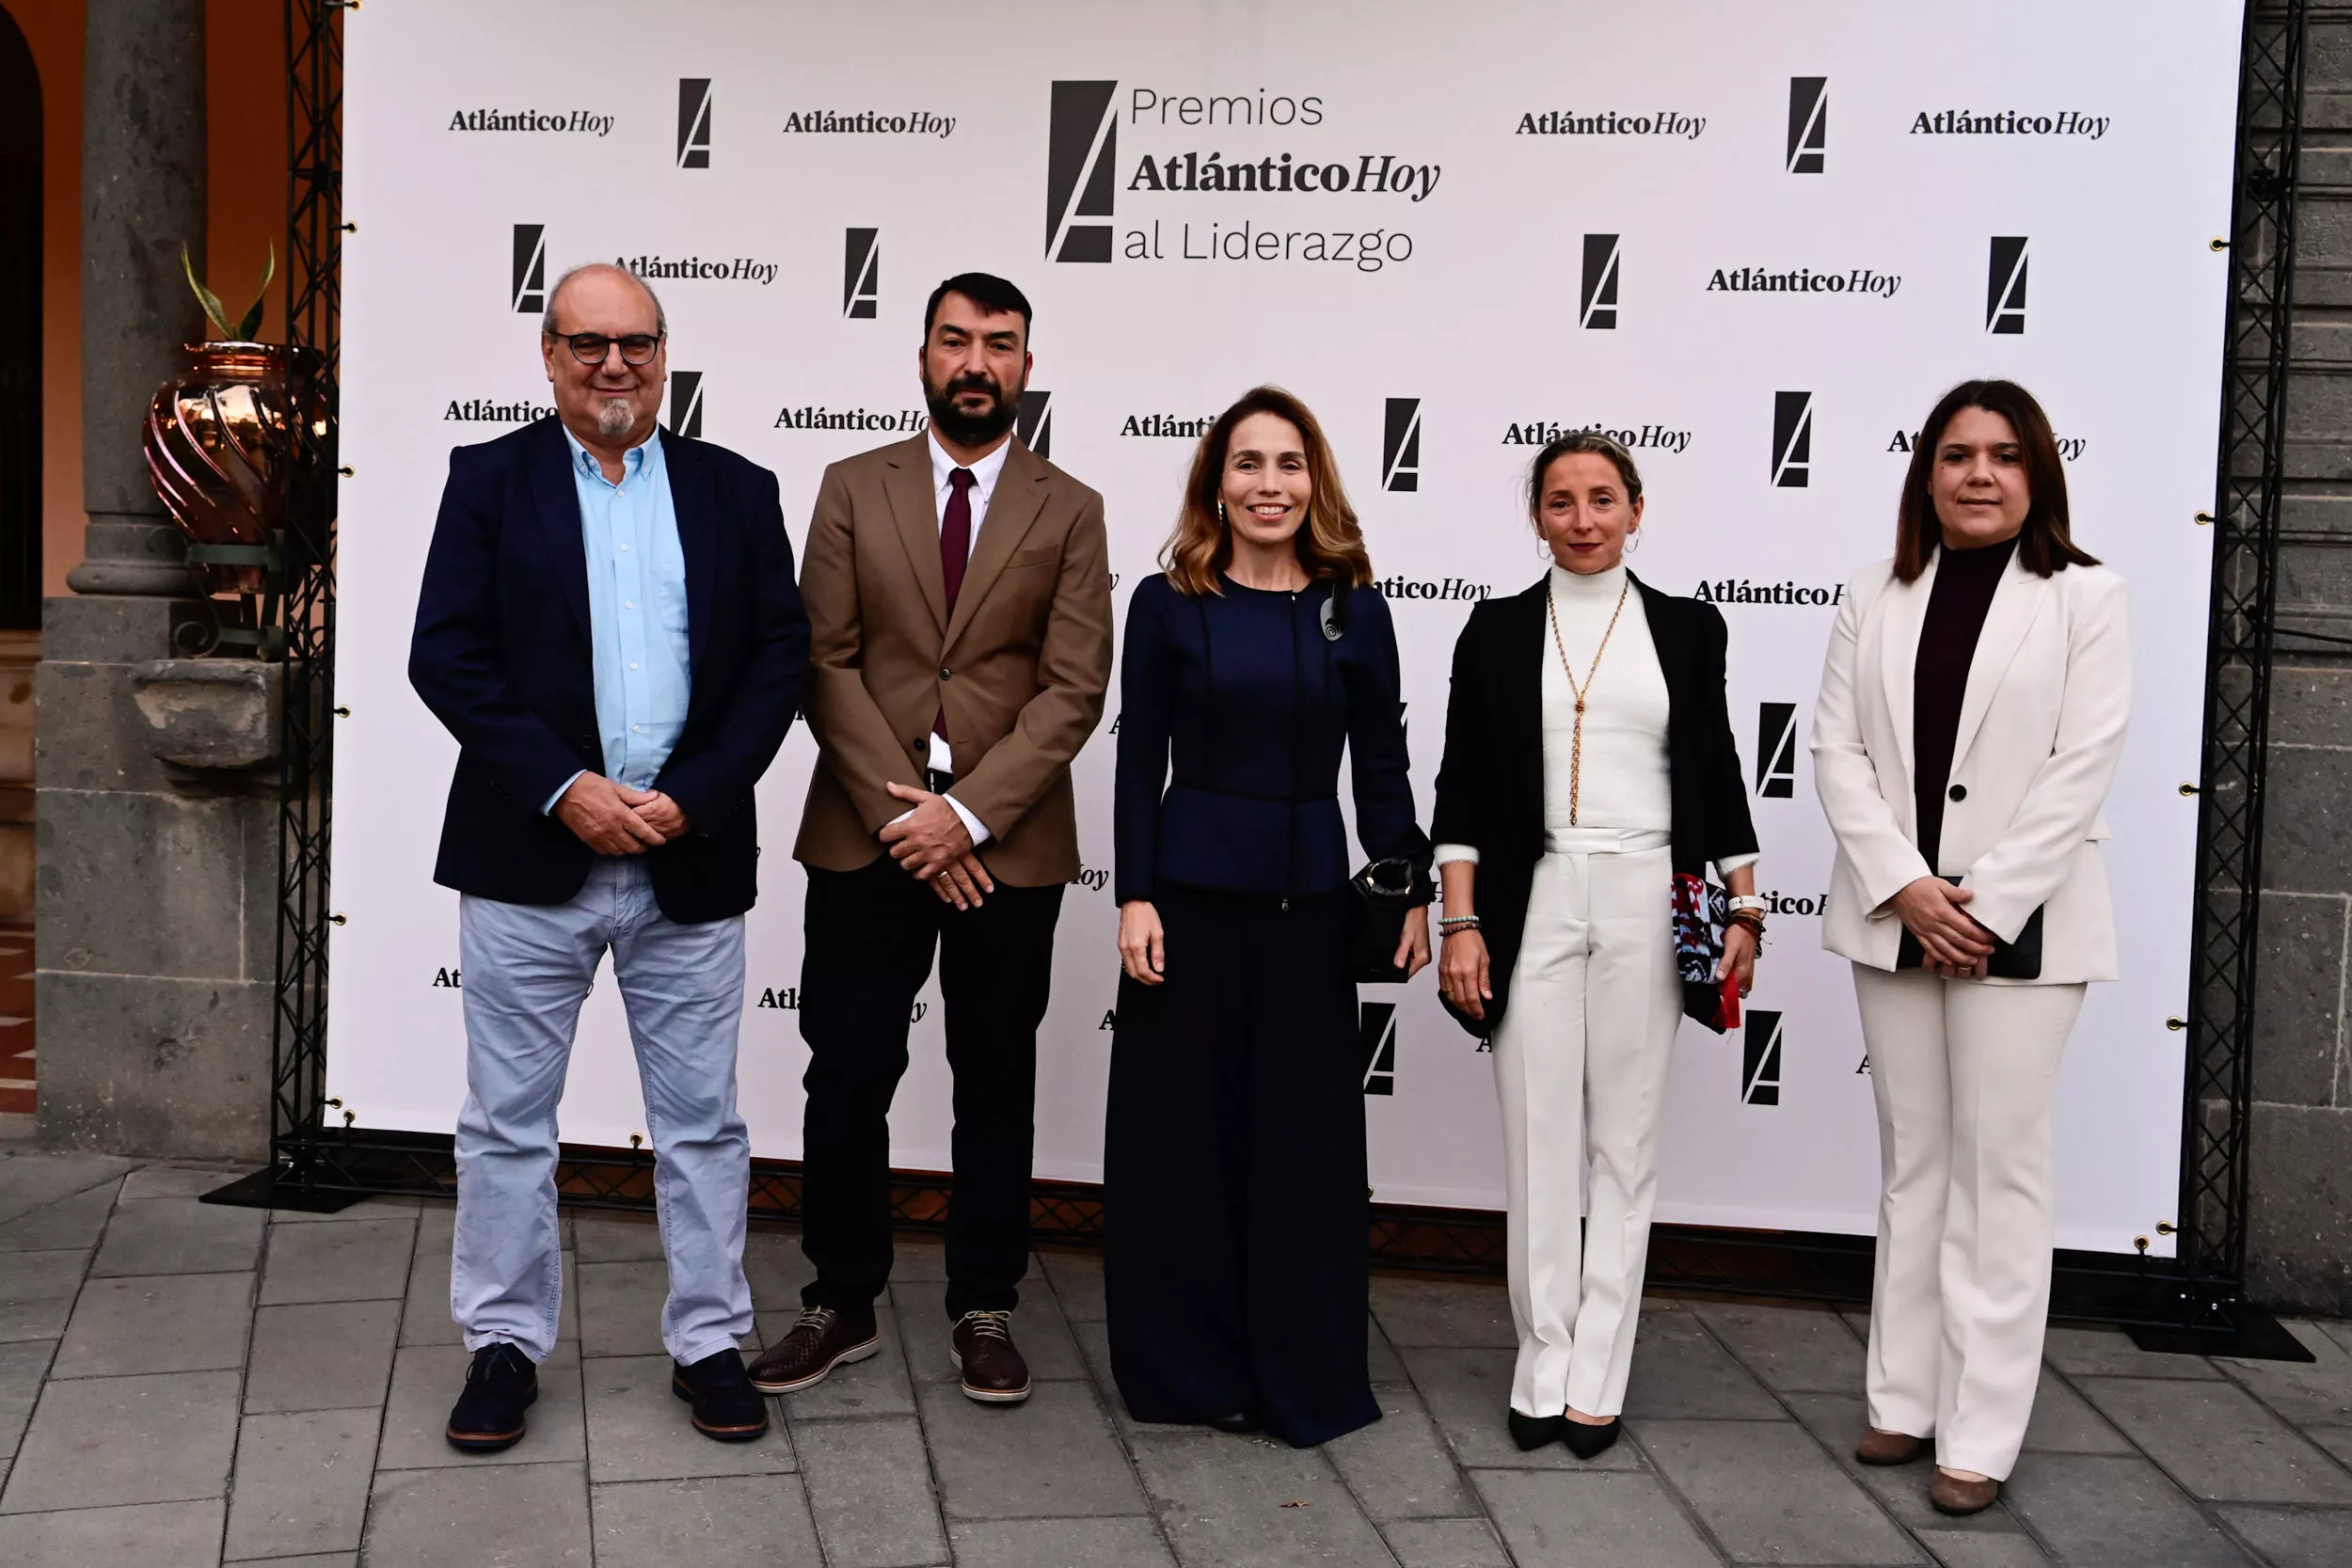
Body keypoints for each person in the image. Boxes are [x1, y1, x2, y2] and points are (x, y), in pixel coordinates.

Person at [410, 261, 810, 1451]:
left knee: (700, 1124)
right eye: (588, 343)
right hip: (529, 858)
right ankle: (502, 1344)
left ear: (665, 352)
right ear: (548, 355)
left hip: (687, 864)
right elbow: (447, 654)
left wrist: (687, 798)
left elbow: (776, 662)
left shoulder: (738, 490)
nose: (614, 364)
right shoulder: (488, 480)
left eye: (636, 341)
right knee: (507, 1123)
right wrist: (565, 789)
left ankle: (707, 1340)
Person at [753, 273, 1112, 1405]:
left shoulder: (1070, 505)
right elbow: (825, 659)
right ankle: (839, 1297)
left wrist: (966, 815)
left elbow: (1072, 687)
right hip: (869, 836)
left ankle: (984, 1302)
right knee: (848, 1069)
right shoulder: (853, 486)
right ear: (920, 356)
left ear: (1026, 364)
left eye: (998, 345)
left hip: (1008, 844)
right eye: (954, 340)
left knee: (994, 1078)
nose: (975, 361)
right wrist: (909, 812)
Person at [1811, 378, 2128, 1515]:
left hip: (2025, 930)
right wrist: (1907, 883)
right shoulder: (1874, 592)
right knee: (1914, 1165)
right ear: (1926, 473)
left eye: (2001, 454)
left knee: (1999, 1175)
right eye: (1955, 455)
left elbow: (2080, 766)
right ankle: (1901, 1398)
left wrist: (1980, 903)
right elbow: (1834, 748)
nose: (1977, 474)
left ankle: (1980, 1429)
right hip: (1895, 920)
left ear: (2035, 471)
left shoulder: (2086, 597)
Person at [1105, 386, 1431, 1447]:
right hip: (1187, 907)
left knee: (1300, 1146)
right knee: (1183, 1142)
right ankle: (1189, 1368)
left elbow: (1381, 765)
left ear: (1315, 481)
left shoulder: (1354, 608)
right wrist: (1135, 895)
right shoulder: (1167, 601)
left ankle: (1298, 1364)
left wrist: (1405, 885)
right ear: (1216, 482)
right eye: (1247, 464)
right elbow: (1134, 756)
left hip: (1305, 915)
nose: (1268, 485)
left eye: (1287, 464)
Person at [1431, 432, 1760, 1459]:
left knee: (1625, 1143)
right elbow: (1461, 786)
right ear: (1535, 515)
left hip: (1646, 885)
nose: (1583, 518)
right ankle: (1542, 1358)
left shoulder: (1688, 627)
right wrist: (1460, 918)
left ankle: (1598, 1371)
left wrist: (1744, 905)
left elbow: (1717, 766)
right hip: (1531, 892)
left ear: (1636, 507)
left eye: (1602, 498)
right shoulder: (1489, 630)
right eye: (1562, 500)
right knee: (1536, 1139)